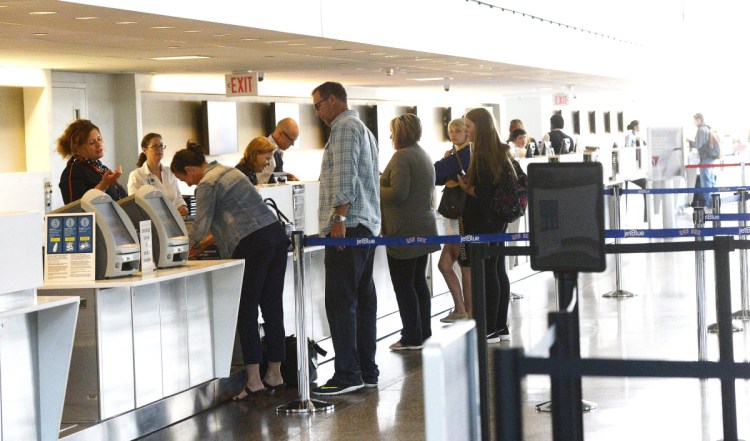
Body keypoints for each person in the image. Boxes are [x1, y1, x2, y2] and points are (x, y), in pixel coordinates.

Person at [170, 143, 289, 401]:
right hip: (276, 238)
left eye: (185, 178)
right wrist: (201, 245)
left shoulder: (206, 184)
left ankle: (255, 381)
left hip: (254, 246)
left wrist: (175, 243)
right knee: (272, 307)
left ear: (191, 169)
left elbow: (200, 229)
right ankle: (275, 374)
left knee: (245, 311)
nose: (189, 185)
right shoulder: (228, 172)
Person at [310, 81, 381, 395]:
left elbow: (344, 175)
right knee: (363, 301)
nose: (317, 112)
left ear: (333, 100)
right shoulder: (363, 129)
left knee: (341, 302)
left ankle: (348, 373)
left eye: (318, 105)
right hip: (365, 228)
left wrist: (338, 218)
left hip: (348, 227)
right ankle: (367, 369)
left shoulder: (343, 128)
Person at [381, 114, 440, 351]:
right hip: (424, 227)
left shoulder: (401, 157)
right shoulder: (422, 154)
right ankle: (423, 331)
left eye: (393, 132)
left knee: (404, 284)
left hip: (403, 230)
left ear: (401, 133)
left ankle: (411, 336)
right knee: (418, 282)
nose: (391, 137)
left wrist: (375, 186)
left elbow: (398, 193)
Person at [457, 107, 513, 343]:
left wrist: (467, 188)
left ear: (479, 127)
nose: (466, 131)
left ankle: (489, 327)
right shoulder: (500, 151)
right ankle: (500, 326)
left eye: (468, 126)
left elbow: (485, 190)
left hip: (484, 221)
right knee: (498, 270)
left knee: (488, 273)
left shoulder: (482, 155)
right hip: (498, 220)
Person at [434, 118, 472, 323]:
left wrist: (446, 163)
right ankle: (461, 308)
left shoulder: (465, 155)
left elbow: (436, 172)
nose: (454, 134)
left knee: (465, 266)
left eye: (458, 130)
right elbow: (441, 176)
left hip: (460, 218)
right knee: (445, 265)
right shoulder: (457, 155)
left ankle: (468, 312)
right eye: (451, 131)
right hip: (453, 218)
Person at [57, 119, 126, 204]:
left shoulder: (102, 168)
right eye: (92, 142)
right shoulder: (73, 172)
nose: (99, 144)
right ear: (78, 148)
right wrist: (103, 185)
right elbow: (76, 210)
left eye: (99, 139)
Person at [127, 133, 188, 216]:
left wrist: (183, 206)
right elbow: (135, 205)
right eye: (155, 146)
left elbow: (178, 198)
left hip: (173, 220)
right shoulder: (136, 175)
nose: (159, 149)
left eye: (161, 146)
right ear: (144, 150)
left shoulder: (170, 172)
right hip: (151, 222)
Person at [689, 113, 719, 208]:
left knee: (705, 182)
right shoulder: (707, 129)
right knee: (710, 181)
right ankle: (715, 202)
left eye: (694, 120)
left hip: (705, 159)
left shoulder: (701, 130)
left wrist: (689, 142)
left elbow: (698, 145)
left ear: (698, 119)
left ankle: (709, 204)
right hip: (710, 158)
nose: (694, 122)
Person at [257, 118, 300, 184]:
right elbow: (261, 182)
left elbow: (271, 174)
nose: (292, 144)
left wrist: (286, 175)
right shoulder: (266, 151)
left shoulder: (277, 150)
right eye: (291, 140)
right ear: (280, 134)